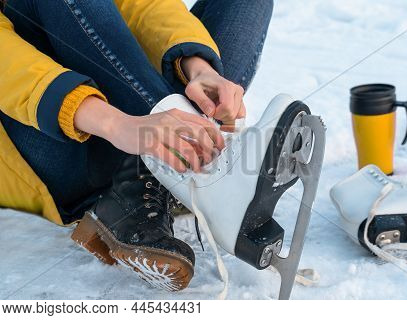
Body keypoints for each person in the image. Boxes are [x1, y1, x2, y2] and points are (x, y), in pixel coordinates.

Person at [0, 0, 273, 290]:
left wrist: (198, 67)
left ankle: (164, 168)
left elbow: (140, 4)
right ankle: (198, 172)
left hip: (127, 109)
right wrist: (117, 125)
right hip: (49, 142)